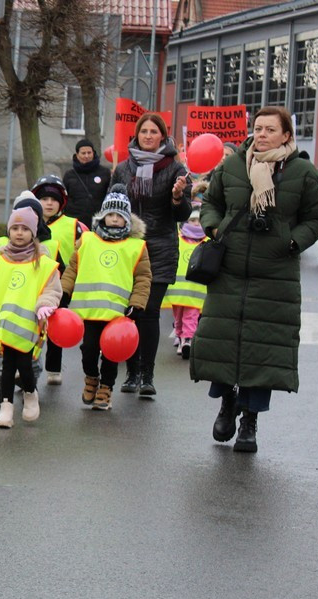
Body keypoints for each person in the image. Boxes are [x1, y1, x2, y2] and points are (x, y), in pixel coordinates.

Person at [190, 106, 318, 453]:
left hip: (275, 274)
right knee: (222, 339)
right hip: (230, 268)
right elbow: (211, 202)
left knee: (262, 349)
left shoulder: (302, 172)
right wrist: (215, 227)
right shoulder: (233, 164)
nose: (262, 134)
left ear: (286, 135)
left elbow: (317, 217)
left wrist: (292, 241)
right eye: (258, 128)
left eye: (270, 129)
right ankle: (226, 402)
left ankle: (250, 419)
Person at [111, 112, 193, 397]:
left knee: (149, 313)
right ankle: (131, 373)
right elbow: (111, 207)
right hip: (127, 249)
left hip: (159, 246)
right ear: (136, 135)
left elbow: (182, 214)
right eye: (143, 131)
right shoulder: (122, 168)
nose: (148, 136)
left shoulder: (176, 169)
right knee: (130, 313)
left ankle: (147, 375)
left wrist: (177, 197)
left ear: (163, 136)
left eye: (153, 132)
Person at [0, 205, 62, 428]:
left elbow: (52, 289)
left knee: (25, 366)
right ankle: (6, 408)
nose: (19, 233)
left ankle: (30, 394)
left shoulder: (43, 264)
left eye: (24, 229)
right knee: (7, 366)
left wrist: (46, 305)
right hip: (5, 325)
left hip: (28, 325)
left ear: (33, 233)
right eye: (15, 228)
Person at [60, 185, 151, 410]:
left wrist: (137, 304)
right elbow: (72, 268)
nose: (113, 219)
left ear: (127, 220)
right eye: (110, 214)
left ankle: (106, 388)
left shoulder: (136, 247)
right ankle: (91, 378)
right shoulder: (87, 241)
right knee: (88, 349)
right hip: (89, 311)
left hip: (118, 314)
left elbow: (143, 278)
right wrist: (64, 292)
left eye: (119, 216)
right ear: (102, 216)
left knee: (111, 354)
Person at [31, 175, 87, 386]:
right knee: (31, 326)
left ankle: (54, 368)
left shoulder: (74, 226)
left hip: (60, 284)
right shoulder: (26, 223)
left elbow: (83, 254)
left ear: (61, 202)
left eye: (54, 199)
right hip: (32, 283)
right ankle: (28, 365)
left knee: (56, 326)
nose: (49, 203)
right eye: (44, 199)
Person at [162, 205, 208, 359]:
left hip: (195, 289)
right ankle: (181, 335)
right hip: (177, 288)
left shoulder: (207, 240)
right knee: (178, 315)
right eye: (192, 220)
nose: (196, 223)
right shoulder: (178, 238)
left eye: (199, 220)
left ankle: (187, 338)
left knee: (191, 314)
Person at [62, 138, 112, 228]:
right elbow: (64, 198)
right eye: (83, 153)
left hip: (98, 221)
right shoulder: (69, 175)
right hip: (74, 222)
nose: (86, 156)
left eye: (89, 153)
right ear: (77, 155)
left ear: (93, 153)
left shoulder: (105, 173)